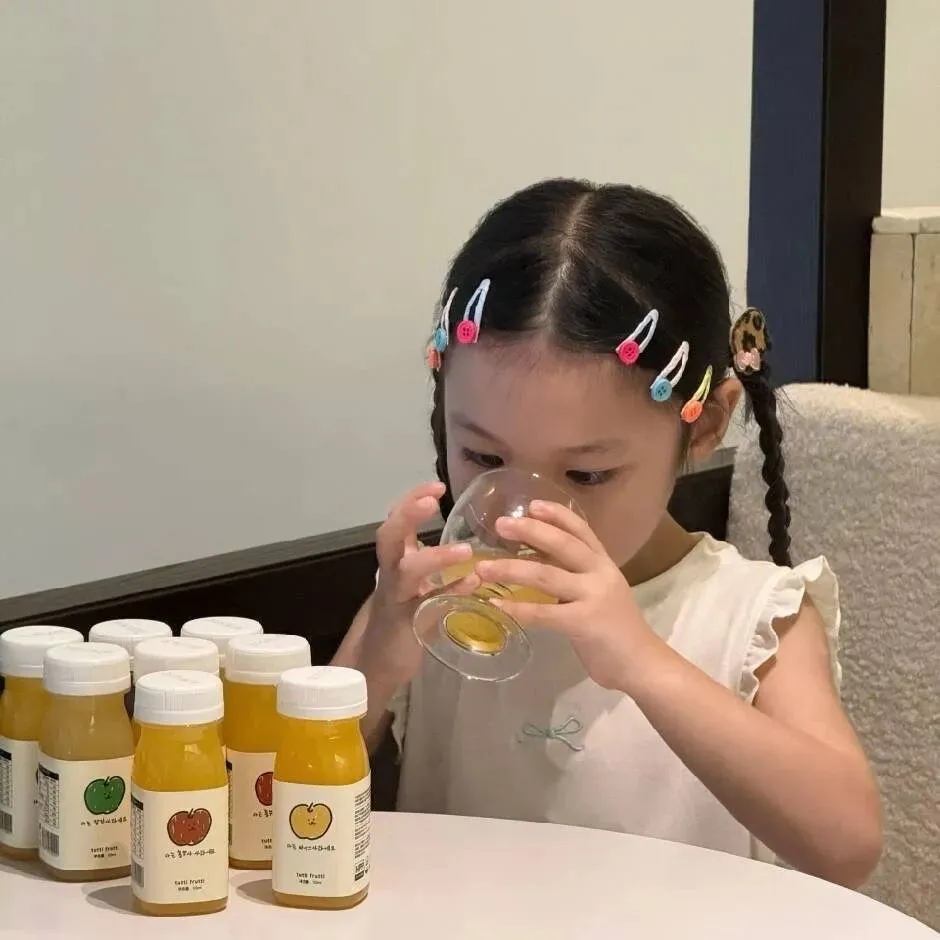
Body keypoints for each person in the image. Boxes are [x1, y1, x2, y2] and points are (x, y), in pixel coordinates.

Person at [333, 179, 882, 886]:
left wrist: (641, 661)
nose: (520, 516)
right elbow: (284, 796)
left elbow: (847, 846)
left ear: (705, 427)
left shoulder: (750, 617)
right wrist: (379, 653)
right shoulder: (438, 592)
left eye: (587, 475)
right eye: (485, 458)